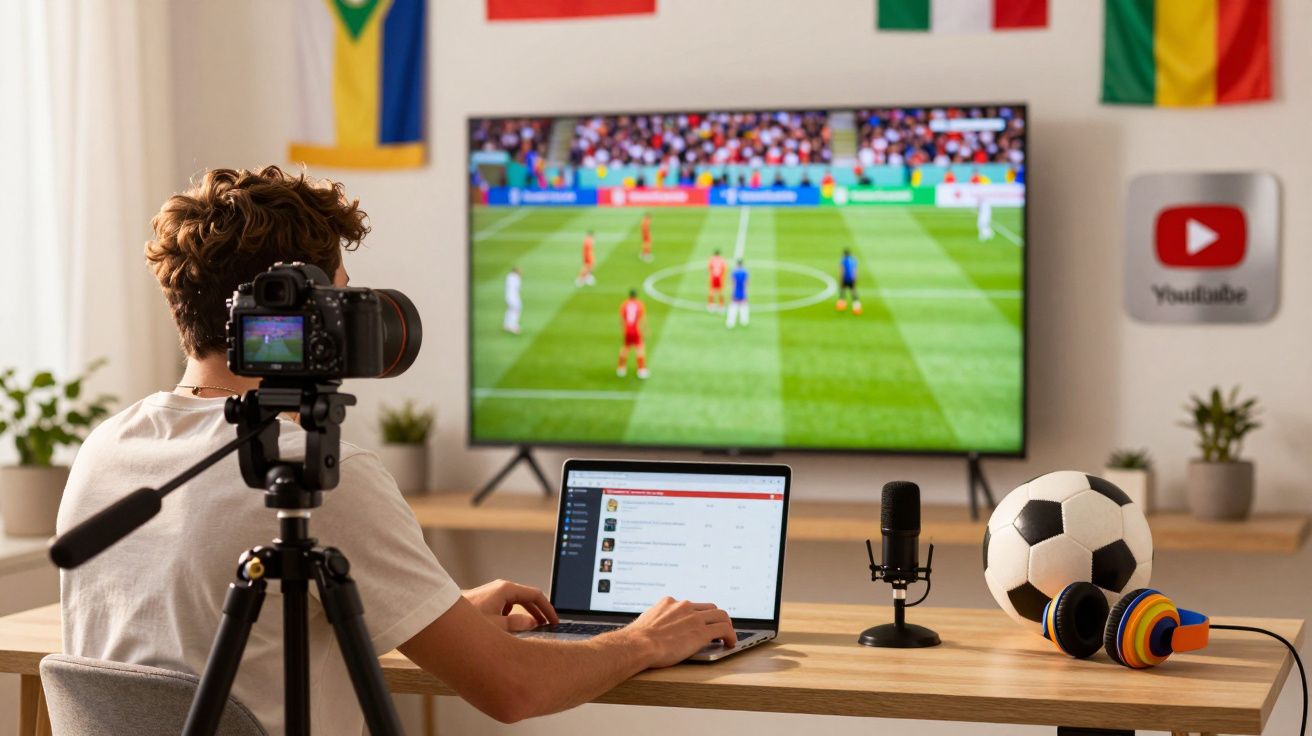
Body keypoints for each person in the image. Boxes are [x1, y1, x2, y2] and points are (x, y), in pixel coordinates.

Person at [58, 166, 736, 736]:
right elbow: (514, 690)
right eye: (342, 293)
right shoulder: (322, 474)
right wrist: (645, 639)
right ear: (296, 311)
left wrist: (437, 610)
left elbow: (232, 638)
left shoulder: (106, 448)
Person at [617, 289, 649, 379]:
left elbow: (621, 319)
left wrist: (622, 330)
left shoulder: (624, 304)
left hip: (627, 329)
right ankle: (641, 370)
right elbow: (642, 319)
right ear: (636, 296)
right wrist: (645, 330)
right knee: (639, 348)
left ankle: (621, 368)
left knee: (625, 348)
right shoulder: (639, 304)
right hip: (636, 329)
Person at [836, 249, 862, 315]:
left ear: (844, 254)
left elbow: (842, 270)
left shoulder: (843, 260)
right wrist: (855, 279)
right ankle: (857, 308)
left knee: (842, 291)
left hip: (845, 278)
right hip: (852, 279)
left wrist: (840, 279)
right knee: (853, 292)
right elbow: (855, 270)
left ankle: (841, 306)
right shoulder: (853, 260)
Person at [726, 259, 749, 329]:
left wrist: (732, 293)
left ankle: (731, 323)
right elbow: (747, 283)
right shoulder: (745, 272)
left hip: (736, 292)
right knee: (744, 308)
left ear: (737, 264)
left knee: (733, 308)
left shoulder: (734, 272)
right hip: (743, 292)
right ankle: (744, 321)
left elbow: (733, 283)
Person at [504, 266, 522, 334]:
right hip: (513, 298)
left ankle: (506, 325)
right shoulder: (516, 278)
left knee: (510, 310)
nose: (521, 272)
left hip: (508, 297)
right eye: (520, 271)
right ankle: (513, 326)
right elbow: (518, 289)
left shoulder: (509, 277)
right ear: (516, 271)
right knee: (516, 311)